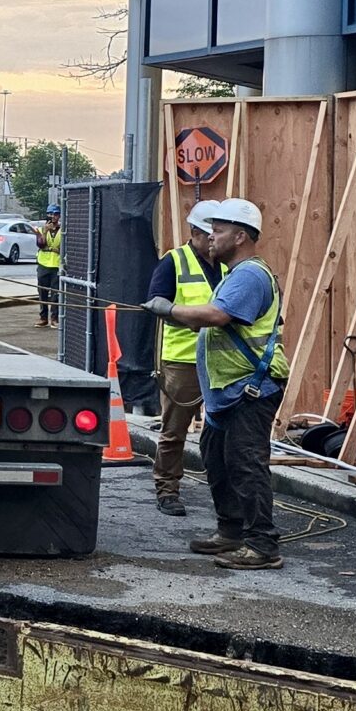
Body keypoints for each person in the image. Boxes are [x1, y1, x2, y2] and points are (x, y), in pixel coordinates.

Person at [144, 197, 290, 570]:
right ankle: (231, 531)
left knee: (245, 463)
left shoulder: (249, 275)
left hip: (250, 388)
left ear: (240, 236)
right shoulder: (233, 273)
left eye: (219, 231)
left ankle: (261, 545)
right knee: (217, 457)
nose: (211, 237)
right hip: (228, 391)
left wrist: (169, 310)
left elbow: (218, 315)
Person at [145, 215, 217, 519]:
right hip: (183, 360)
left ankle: (222, 490)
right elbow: (156, 302)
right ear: (195, 233)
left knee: (219, 432)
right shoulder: (174, 261)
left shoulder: (228, 264)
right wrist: (188, 317)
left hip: (219, 360)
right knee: (174, 431)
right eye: (210, 235)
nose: (214, 241)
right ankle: (167, 489)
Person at [34, 212, 62, 327]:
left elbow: (63, 247)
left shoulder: (63, 230)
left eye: (55, 214)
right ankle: (43, 317)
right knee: (42, 292)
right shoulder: (41, 229)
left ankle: (54, 318)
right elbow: (41, 244)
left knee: (56, 293)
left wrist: (52, 248)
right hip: (43, 263)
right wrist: (45, 231)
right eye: (50, 214)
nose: (53, 217)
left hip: (56, 264)